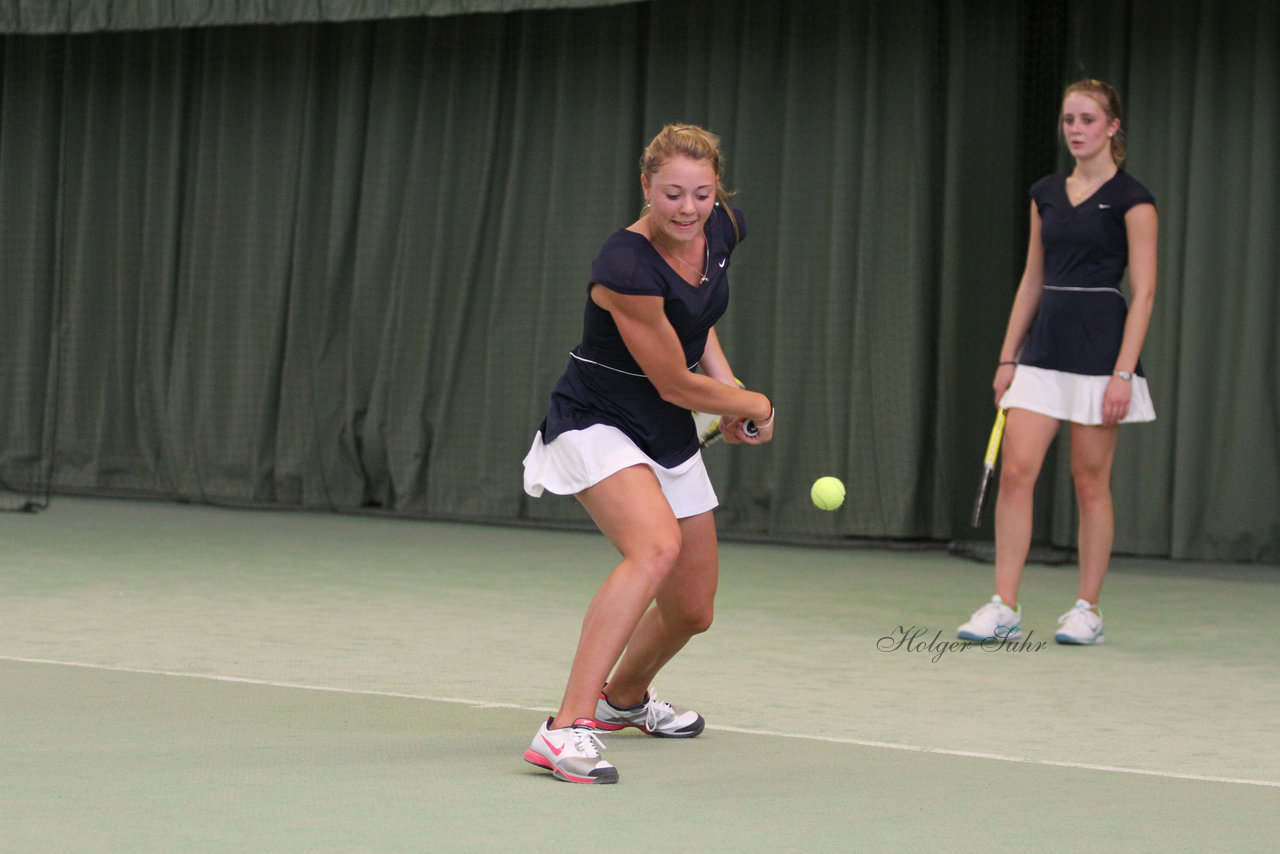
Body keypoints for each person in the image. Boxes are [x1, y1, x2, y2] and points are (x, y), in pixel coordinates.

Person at [520, 124, 774, 783]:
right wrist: (750, 404)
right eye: (671, 195)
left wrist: (733, 386)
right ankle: (564, 728)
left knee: (693, 609)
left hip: (666, 430)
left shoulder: (722, 228)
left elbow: (695, 319)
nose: (687, 209)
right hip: (597, 419)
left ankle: (622, 700)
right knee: (655, 548)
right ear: (645, 189)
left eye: (701, 194)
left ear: (718, 190)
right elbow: (673, 381)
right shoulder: (623, 266)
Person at [958, 79, 1157, 646]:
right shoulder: (1045, 192)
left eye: (1088, 119)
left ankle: (1088, 609)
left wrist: (1123, 371)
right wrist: (1007, 357)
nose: (1076, 129)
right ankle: (1004, 605)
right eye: (1069, 119)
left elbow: (1143, 292)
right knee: (1017, 473)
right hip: (1042, 352)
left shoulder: (1134, 200)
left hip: (1101, 354)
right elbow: (1032, 279)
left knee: (1090, 481)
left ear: (1113, 126)